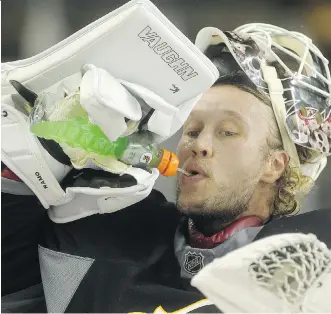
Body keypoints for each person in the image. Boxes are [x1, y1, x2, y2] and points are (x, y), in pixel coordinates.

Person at [2, 23, 331, 313]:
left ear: (275, 165)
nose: (198, 144)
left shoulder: (312, 266)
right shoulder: (99, 230)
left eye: (228, 131)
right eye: (192, 129)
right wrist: (26, 170)